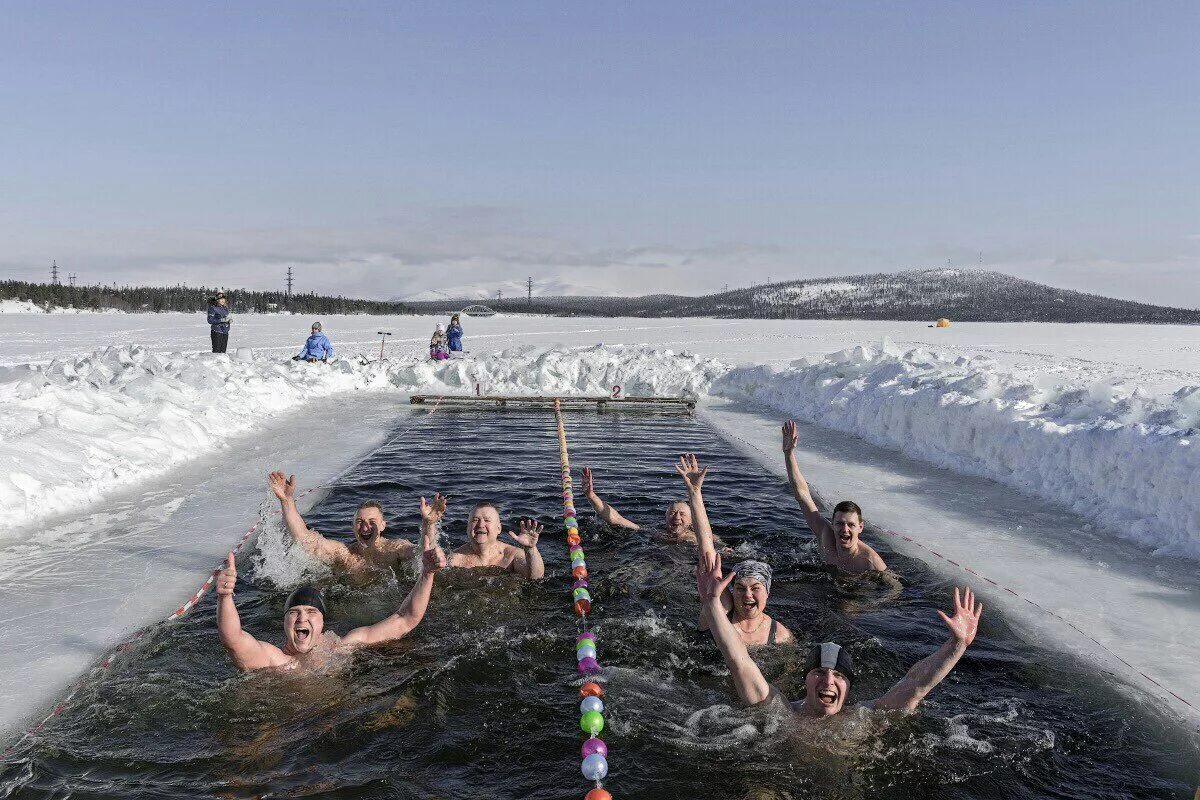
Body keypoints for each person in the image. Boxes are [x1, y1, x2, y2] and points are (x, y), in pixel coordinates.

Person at [697, 553, 982, 716]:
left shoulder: (859, 718)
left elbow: (916, 685)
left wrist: (956, 645)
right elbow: (739, 661)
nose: (829, 681)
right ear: (805, 678)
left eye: (839, 676)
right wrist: (711, 604)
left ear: (849, 685)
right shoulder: (780, 712)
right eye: (819, 671)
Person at [215, 546, 446, 672]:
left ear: (323, 623)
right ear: (284, 623)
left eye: (311, 612)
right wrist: (225, 596)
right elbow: (233, 639)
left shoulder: (341, 648)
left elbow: (405, 619)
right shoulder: (275, 660)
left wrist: (427, 574)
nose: (301, 618)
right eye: (294, 612)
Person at [676, 453, 789, 646]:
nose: (747, 595)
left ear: (767, 592)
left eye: (755, 589)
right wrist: (695, 493)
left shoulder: (779, 635)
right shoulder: (720, 613)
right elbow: (706, 548)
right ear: (731, 591)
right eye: (740, 588)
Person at [268, 471, 433, 575]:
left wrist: (428, 523)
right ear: (353, 526)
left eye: (371, 522)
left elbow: (422, 554)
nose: (365, 527)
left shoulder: (395, 549)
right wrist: (287, 501)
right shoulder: (344, 554)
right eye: (359, 522)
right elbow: (304, 539)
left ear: (383, 525)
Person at [782, 421, 887, 573]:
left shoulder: (870, 562)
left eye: (851, 525)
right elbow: (802, 495)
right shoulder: (825, 534)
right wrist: (788, 454)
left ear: (860, 527)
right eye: (839, 523)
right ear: (832, 523)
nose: (844, 530)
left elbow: (894, 590)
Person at [420, 495, 544, 579]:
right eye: (475, 520)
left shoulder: (512, 556)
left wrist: (531, 550)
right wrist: (429, 523)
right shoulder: (456, 559)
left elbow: (535, 577)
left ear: (499, 528)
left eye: (487, 520)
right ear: (468, 528)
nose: (481, 525)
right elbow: (428, 564)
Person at [581, 464, 704, 545]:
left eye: (682, 514)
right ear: (666, 517)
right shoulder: (655, 532)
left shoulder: (701, 539)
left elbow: (719, 550)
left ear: (692, 520)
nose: (677, 517)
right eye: (672, 513)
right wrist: (590, 495)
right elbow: (616, 519)